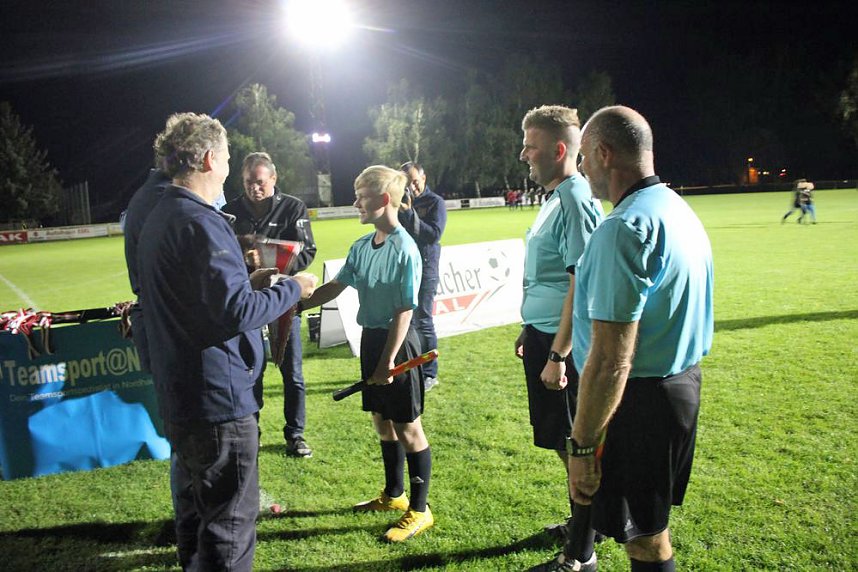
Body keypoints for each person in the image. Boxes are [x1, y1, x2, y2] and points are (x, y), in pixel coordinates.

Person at [138, 112, 317, 570]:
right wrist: (292, 289)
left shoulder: (160, 214)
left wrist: (248, 283)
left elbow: (202, 299)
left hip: (181, 391)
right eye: (227, 159)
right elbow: (234, 314)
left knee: (195, 515)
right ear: (208, 159)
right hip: (217, 399)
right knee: (228, 527)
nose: (228, 170)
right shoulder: (201, 220)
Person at [568, 106, 714, 572]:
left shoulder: (623, 228)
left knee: (644, 541)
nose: (581, 168)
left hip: (638, 403)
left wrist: (582, 448)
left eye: (584, 157)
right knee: (650, 528)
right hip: (678, 387)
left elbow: (612, 360)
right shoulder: (675, 207)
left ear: (604, 154)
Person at [302, 165, 434, 542]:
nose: (356, 203)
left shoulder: (405, 248)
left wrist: (389, 360)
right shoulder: (362, 246)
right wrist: (295, 305)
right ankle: (394, 494)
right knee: (381, 419)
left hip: (399, 343)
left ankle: (420, 510)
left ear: (384, 199)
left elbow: (405, 310)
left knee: (408, 426)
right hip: (373, 339)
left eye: (362, 196)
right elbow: (336, 286)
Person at [517, 105, 604, 572]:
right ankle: (586, 522)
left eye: (529, 146)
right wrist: (530, 329)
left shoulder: (574, 198)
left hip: (560, 343)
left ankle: (582, 549)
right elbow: (549, 275)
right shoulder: (556, 196)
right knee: (560, 439)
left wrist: (558, 353)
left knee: (574, 444)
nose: (523, 155)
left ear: (557, 149)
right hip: (544, 334)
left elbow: (581, 283)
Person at [223, 152, 318, 458]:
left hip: (285, 301)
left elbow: (308, 251)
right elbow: (220, 258)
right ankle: (252, 432)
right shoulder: (229, 212)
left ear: (273, 179)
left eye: (260, 182)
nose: (255, 188)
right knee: (251, 370)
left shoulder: (293, 207)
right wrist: (243, 258)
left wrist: (269, 260)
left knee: (293, 373)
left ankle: (295, 434)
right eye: (249, 182)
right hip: (247, 302)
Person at [398, 161, 447, 391]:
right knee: (405, 320)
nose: (412, 187)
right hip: (403, 267)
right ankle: (410, 366)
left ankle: (429, 372)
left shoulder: (435, 202)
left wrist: (409, 214)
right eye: (407, 183)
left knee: (423, 320)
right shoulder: (398, 203)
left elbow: (433, 235)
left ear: (424, 179)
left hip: (426, 268)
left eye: (415, 182)